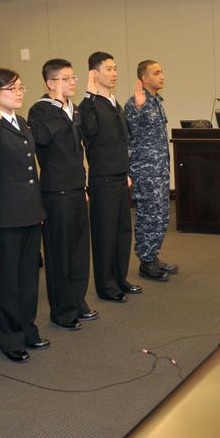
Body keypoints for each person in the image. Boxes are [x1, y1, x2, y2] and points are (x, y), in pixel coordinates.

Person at [0, 69, 49, 363]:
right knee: (8, 281)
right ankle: (10, 338)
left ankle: (28, 329)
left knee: (28, 278)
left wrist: (38, 209)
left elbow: (31, 172)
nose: (19, 92)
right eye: (11, 88)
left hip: (29, 213)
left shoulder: (22, 122)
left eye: (21, 87)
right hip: (4, 218)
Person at [28, 59, 99, 331]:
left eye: (73, 78)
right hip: (54, 191)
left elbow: (90, 133)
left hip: (76, 188)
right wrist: (59, 106)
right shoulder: (40, 110)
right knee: (60, 253)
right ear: (51, 83)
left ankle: (77, 300)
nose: (72, 83)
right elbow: (43, 139)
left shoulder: (74, 108)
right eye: (66, 78)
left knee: (79, 250)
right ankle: (62, 311)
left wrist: (76, 106)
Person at [79, 51, 142, 302]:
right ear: (94, 74)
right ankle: (106, 286)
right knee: (105, 234)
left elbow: (122, 139)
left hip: (118, 176)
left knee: (122, 231)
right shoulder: (88, 105)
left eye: (115, 69)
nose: (114, 73)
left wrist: (126, 172)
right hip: (102, 178)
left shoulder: (114, 103)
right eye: (108, 69)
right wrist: (90, 95)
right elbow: (90, 132)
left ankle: (120, 278)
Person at [125, 60, 179, 281]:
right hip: (145, 171)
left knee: (160, 216)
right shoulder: (135, 103)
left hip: (159, 171)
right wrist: (138, 109)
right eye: (156, 73)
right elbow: (129, 135)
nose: (162, 76)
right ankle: (146, 262)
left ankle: (153, 256)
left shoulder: (156, 101)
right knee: (148, 216)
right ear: (144, 79)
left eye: (162, 72)